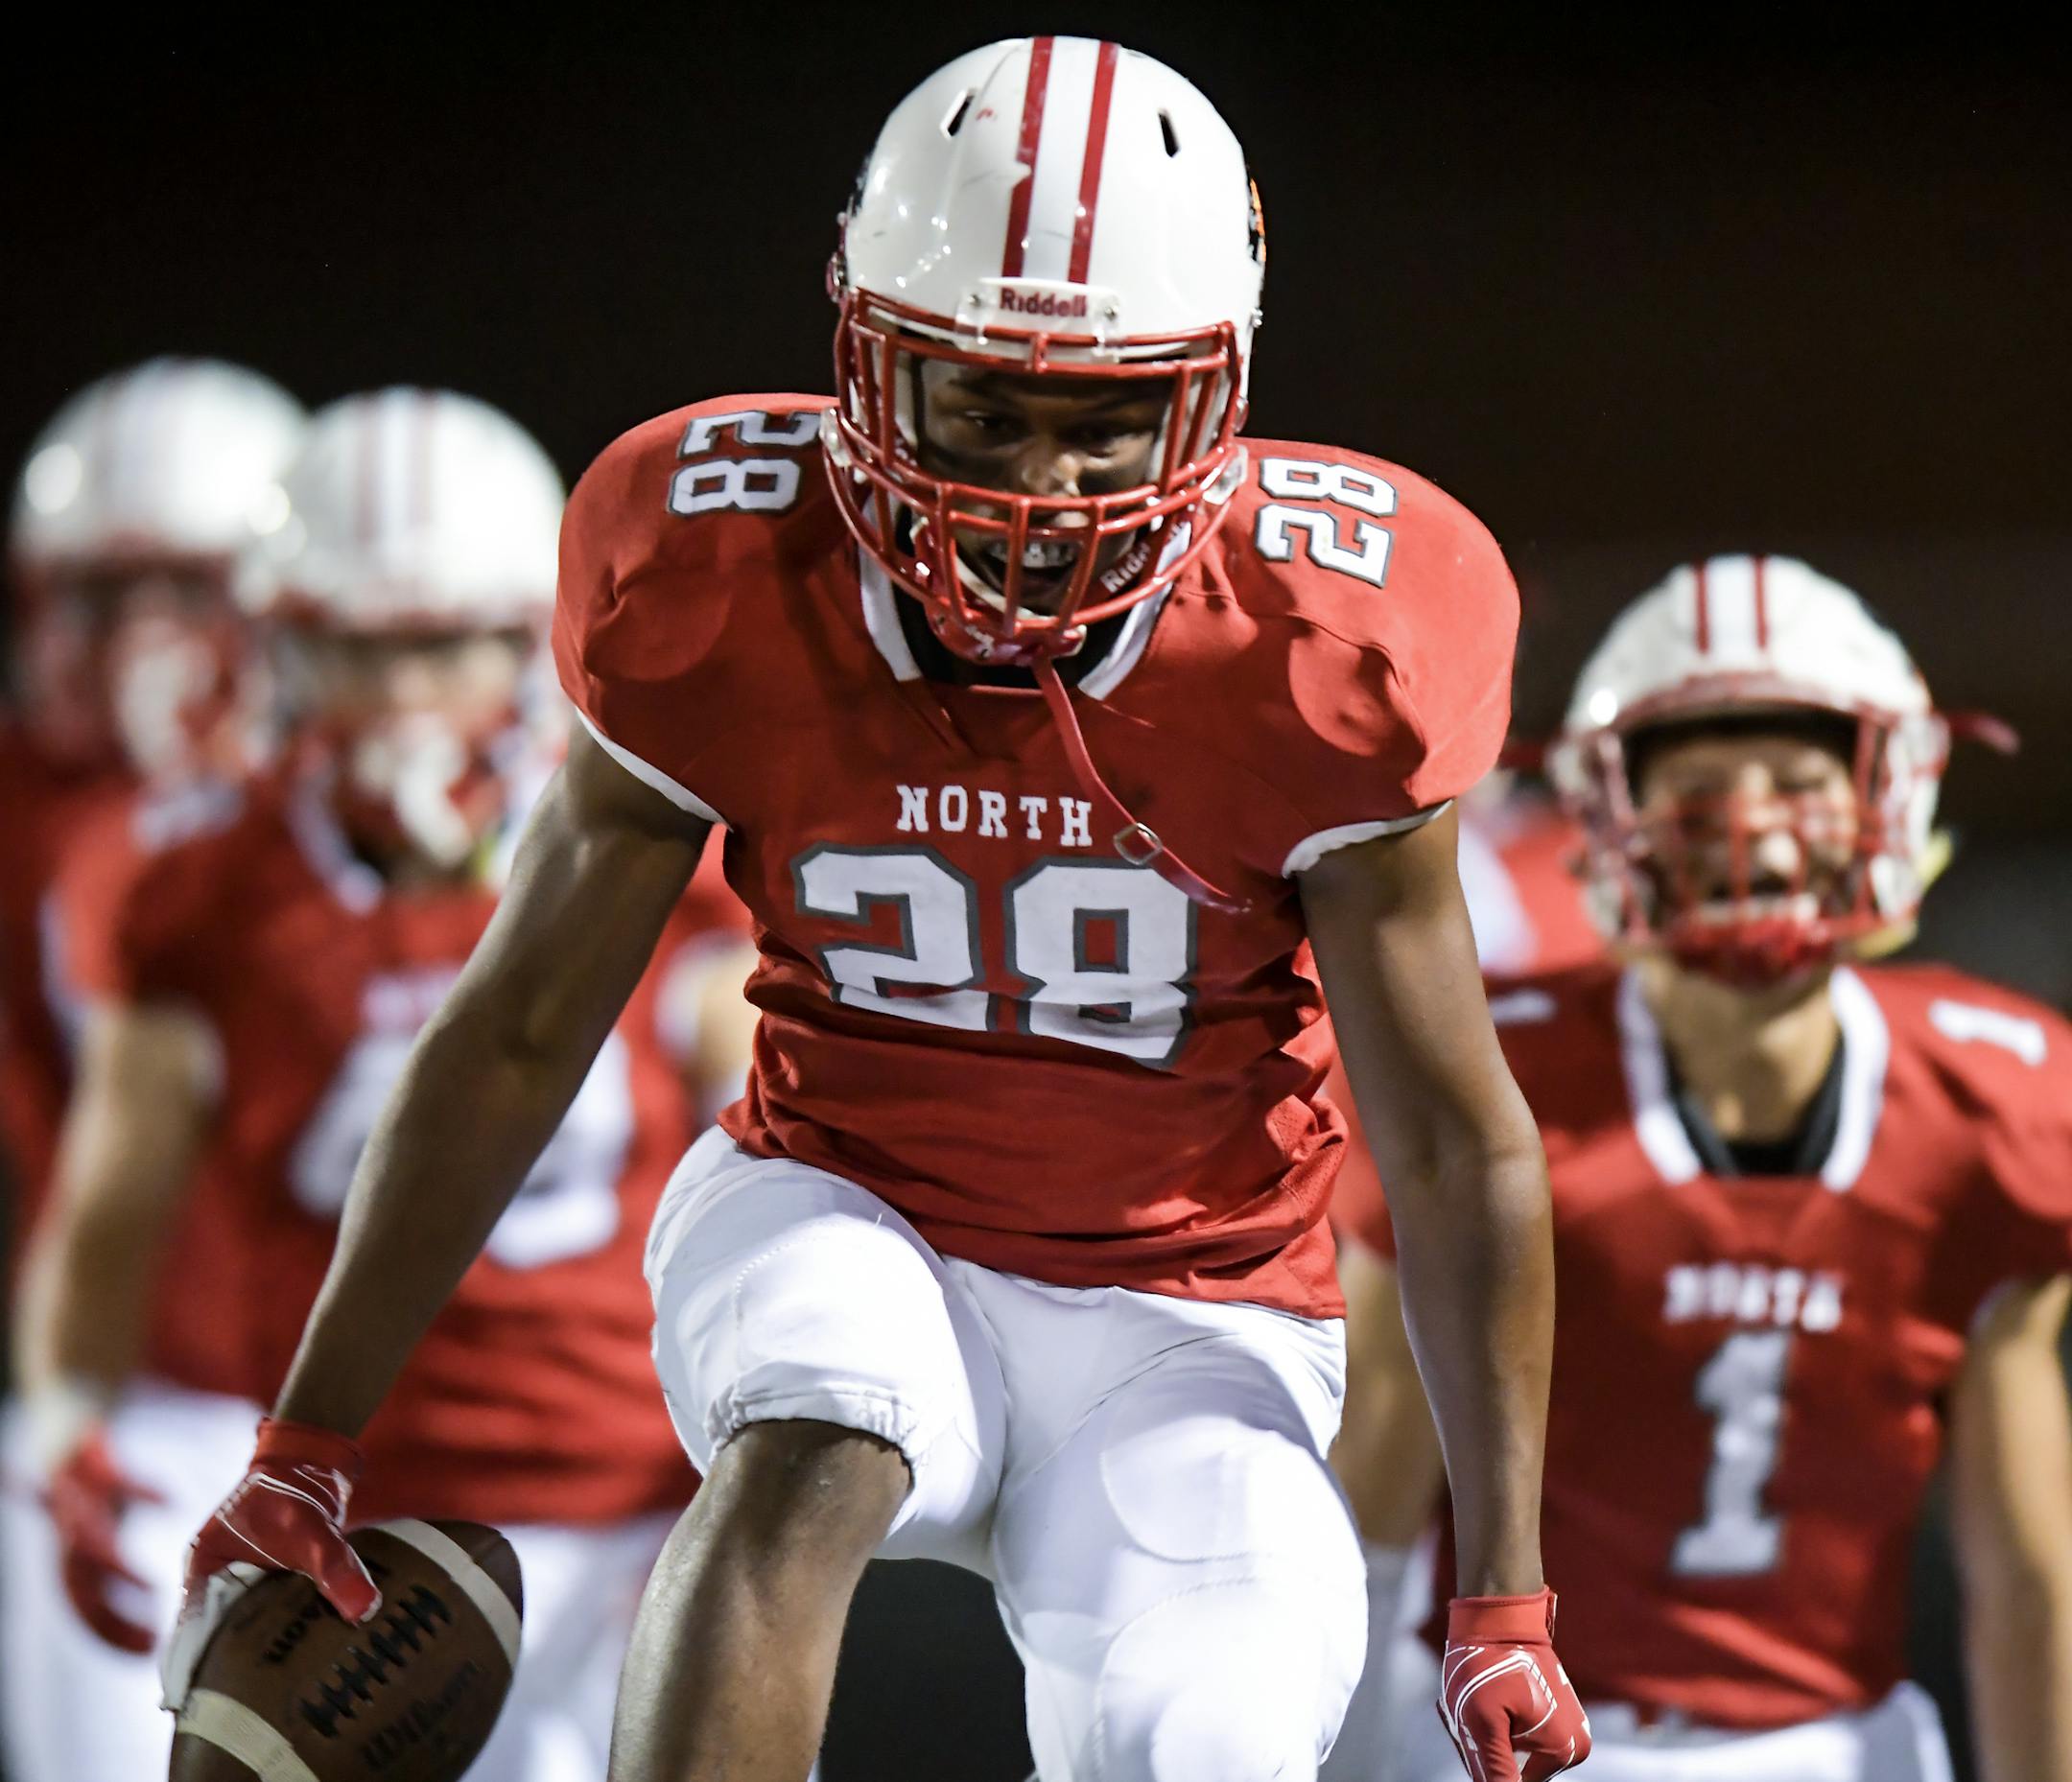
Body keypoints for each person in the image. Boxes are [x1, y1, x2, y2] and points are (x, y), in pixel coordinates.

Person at [163, 40, 1589, 1782]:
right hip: (839, 1202)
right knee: (816, 1426)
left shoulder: (1332, 643)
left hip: (1197, 1300)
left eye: (1102, 419)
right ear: (863, 357)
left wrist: (1503, 1592)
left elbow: (1455, 1143)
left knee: (1198, 1734)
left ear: (1213, 399)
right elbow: (518, 1021)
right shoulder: (713, 570)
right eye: (981, 406)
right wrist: (312, 1430)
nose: (1038, 487)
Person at [12, 388, 756, 1781]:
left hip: (633, 1502)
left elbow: (773, 1147)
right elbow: (111, 1196)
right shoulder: (204, 881)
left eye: (454, 643)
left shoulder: (656, 848)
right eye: (363, 650)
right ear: (284, 645)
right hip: (355, 1521)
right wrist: (69, 1417)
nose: (412, 699)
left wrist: (754, 1472)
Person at [1339, 554, 2072, 1782]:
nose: (1751, 821)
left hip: (1842, 1745)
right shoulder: (1495, 1088)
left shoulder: (1990, 1104)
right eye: (1702, 785)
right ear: (1604, 807)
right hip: (1515, 1739)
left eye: (1796, 780)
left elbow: (2023, 1556)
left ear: (1888, 792)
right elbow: (1366, 1498)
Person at [0, 358, 306, 1781]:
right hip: (133, 1392)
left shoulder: (418, 814)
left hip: (413, 1409)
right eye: (100, 599)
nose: (141, 646)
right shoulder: (39, 821)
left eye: (181, 593)